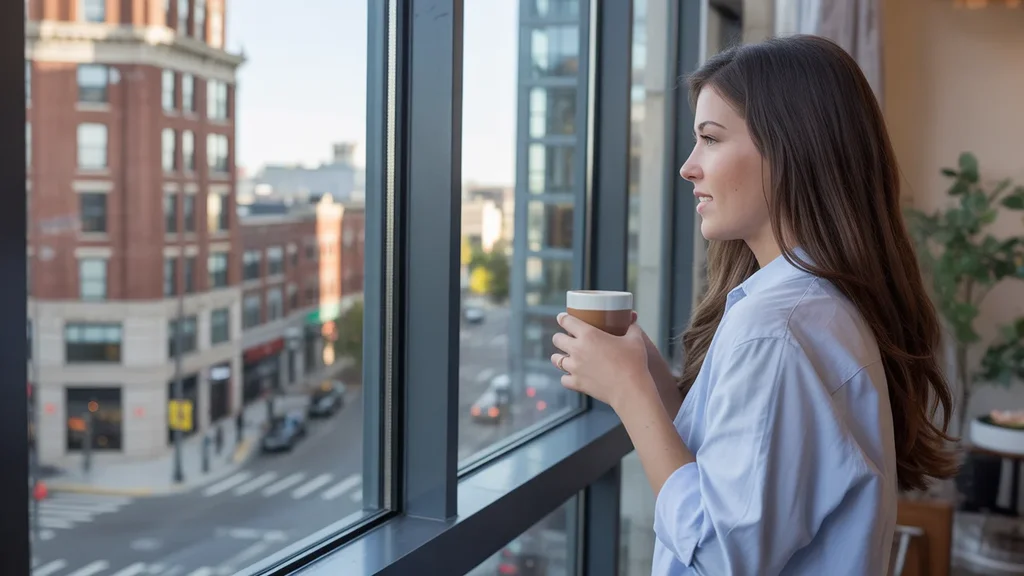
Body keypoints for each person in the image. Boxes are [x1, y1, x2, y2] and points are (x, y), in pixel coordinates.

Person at [550, 35, 957, 575]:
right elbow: (744, 485)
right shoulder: (814, 306)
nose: (688, 167)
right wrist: (656, 386)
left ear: (793, 148)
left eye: (710, 139)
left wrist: (630, 396)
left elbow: (719, 557)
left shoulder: (777, 328)